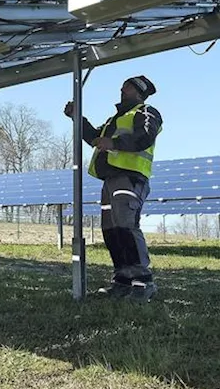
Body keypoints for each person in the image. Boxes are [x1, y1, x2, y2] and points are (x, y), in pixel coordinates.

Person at [64, 75, 163, 302]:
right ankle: (122, 280)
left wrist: (115, 143)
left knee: (126, 227)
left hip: (130, 178)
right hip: (110, 180)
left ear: (139, 92)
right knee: (112, 230)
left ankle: (143, 282)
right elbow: (95, 138)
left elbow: (145, 137)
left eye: (127, 87)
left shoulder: (146, 113)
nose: (121, 90)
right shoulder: (114, 120)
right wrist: (77, 117)